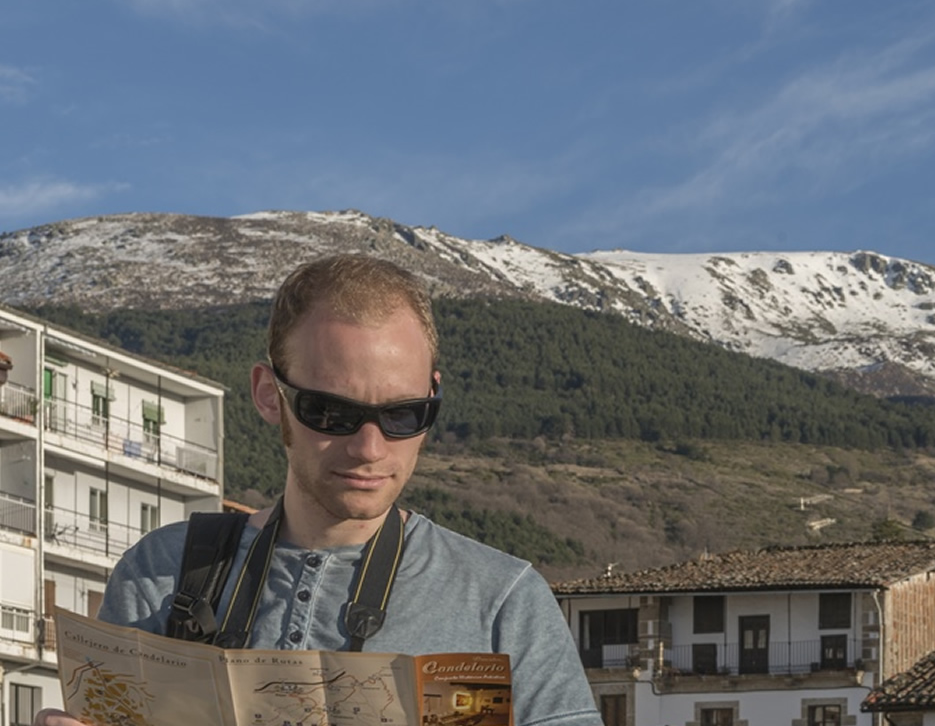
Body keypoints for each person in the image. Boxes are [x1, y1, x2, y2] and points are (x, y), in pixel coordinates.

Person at [35, 255, 598, 726]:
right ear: (267, 395)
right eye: (331, 412)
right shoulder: (159, 570)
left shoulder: (503, 599)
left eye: (405, 414)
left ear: (434, 395)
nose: (371, 448)